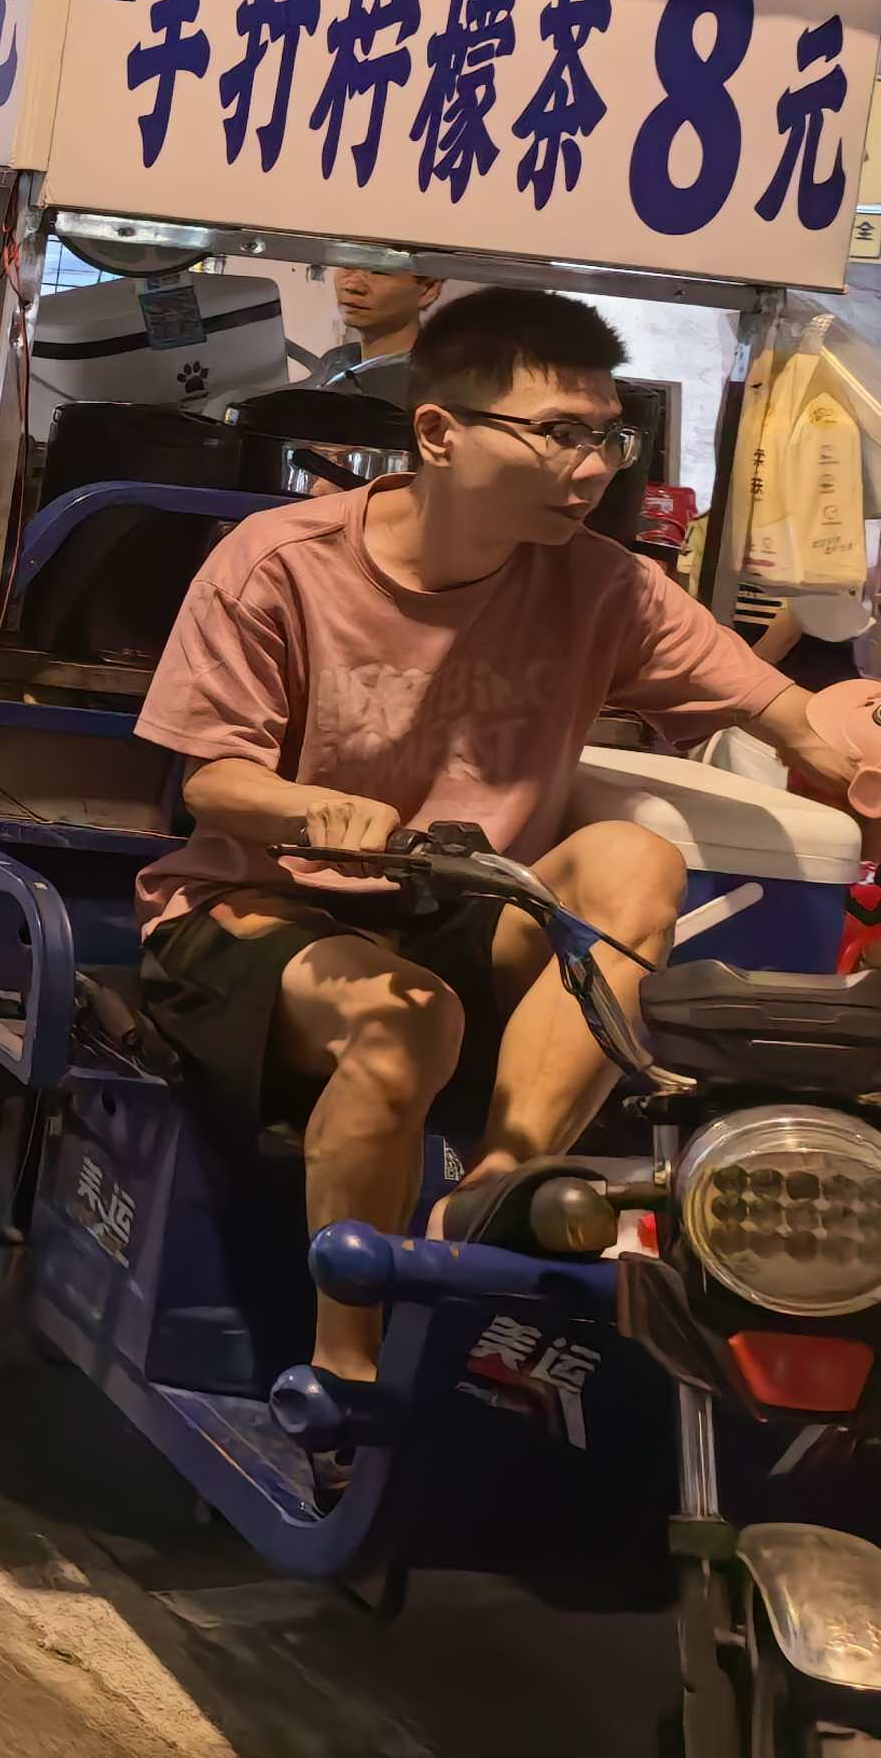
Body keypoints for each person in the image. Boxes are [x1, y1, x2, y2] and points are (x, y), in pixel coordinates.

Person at [134, 286, 868, 1398]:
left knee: (635, 859)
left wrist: (853, 747)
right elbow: (212, 782)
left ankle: (489, 1200)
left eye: (609, 437)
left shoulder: (606, 586)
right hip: (257, 909)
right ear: (438, 432)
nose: (594, 467)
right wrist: (312, 811)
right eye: (560, 434)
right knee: (405, 1020)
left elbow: (787, 714)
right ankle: (348, 1377)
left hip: (463, 906)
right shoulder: (279, 561)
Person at [309, 262, 442, 408]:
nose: (352, 286)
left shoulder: (436, 382)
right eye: (346, 264)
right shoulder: (336, 360)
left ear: (428, 290)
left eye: (378, 271)